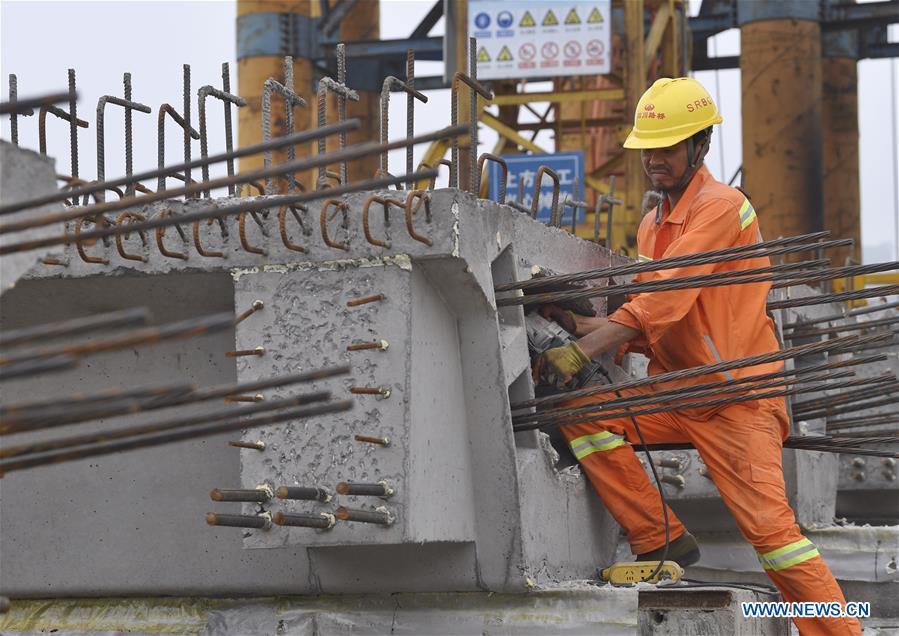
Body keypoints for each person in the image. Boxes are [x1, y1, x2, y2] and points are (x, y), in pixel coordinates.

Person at [535, 77, 861, 636]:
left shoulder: (722, 205)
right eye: (648, 150)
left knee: (774, 539)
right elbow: (650, 317)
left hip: (736, 396)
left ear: (700, 146)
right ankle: (658, 534)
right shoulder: (653, 223)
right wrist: (581, 323)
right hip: (681, 390)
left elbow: (663, 300)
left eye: (668, 147)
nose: (655, 160)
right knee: (584, 414)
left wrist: (584, 348)